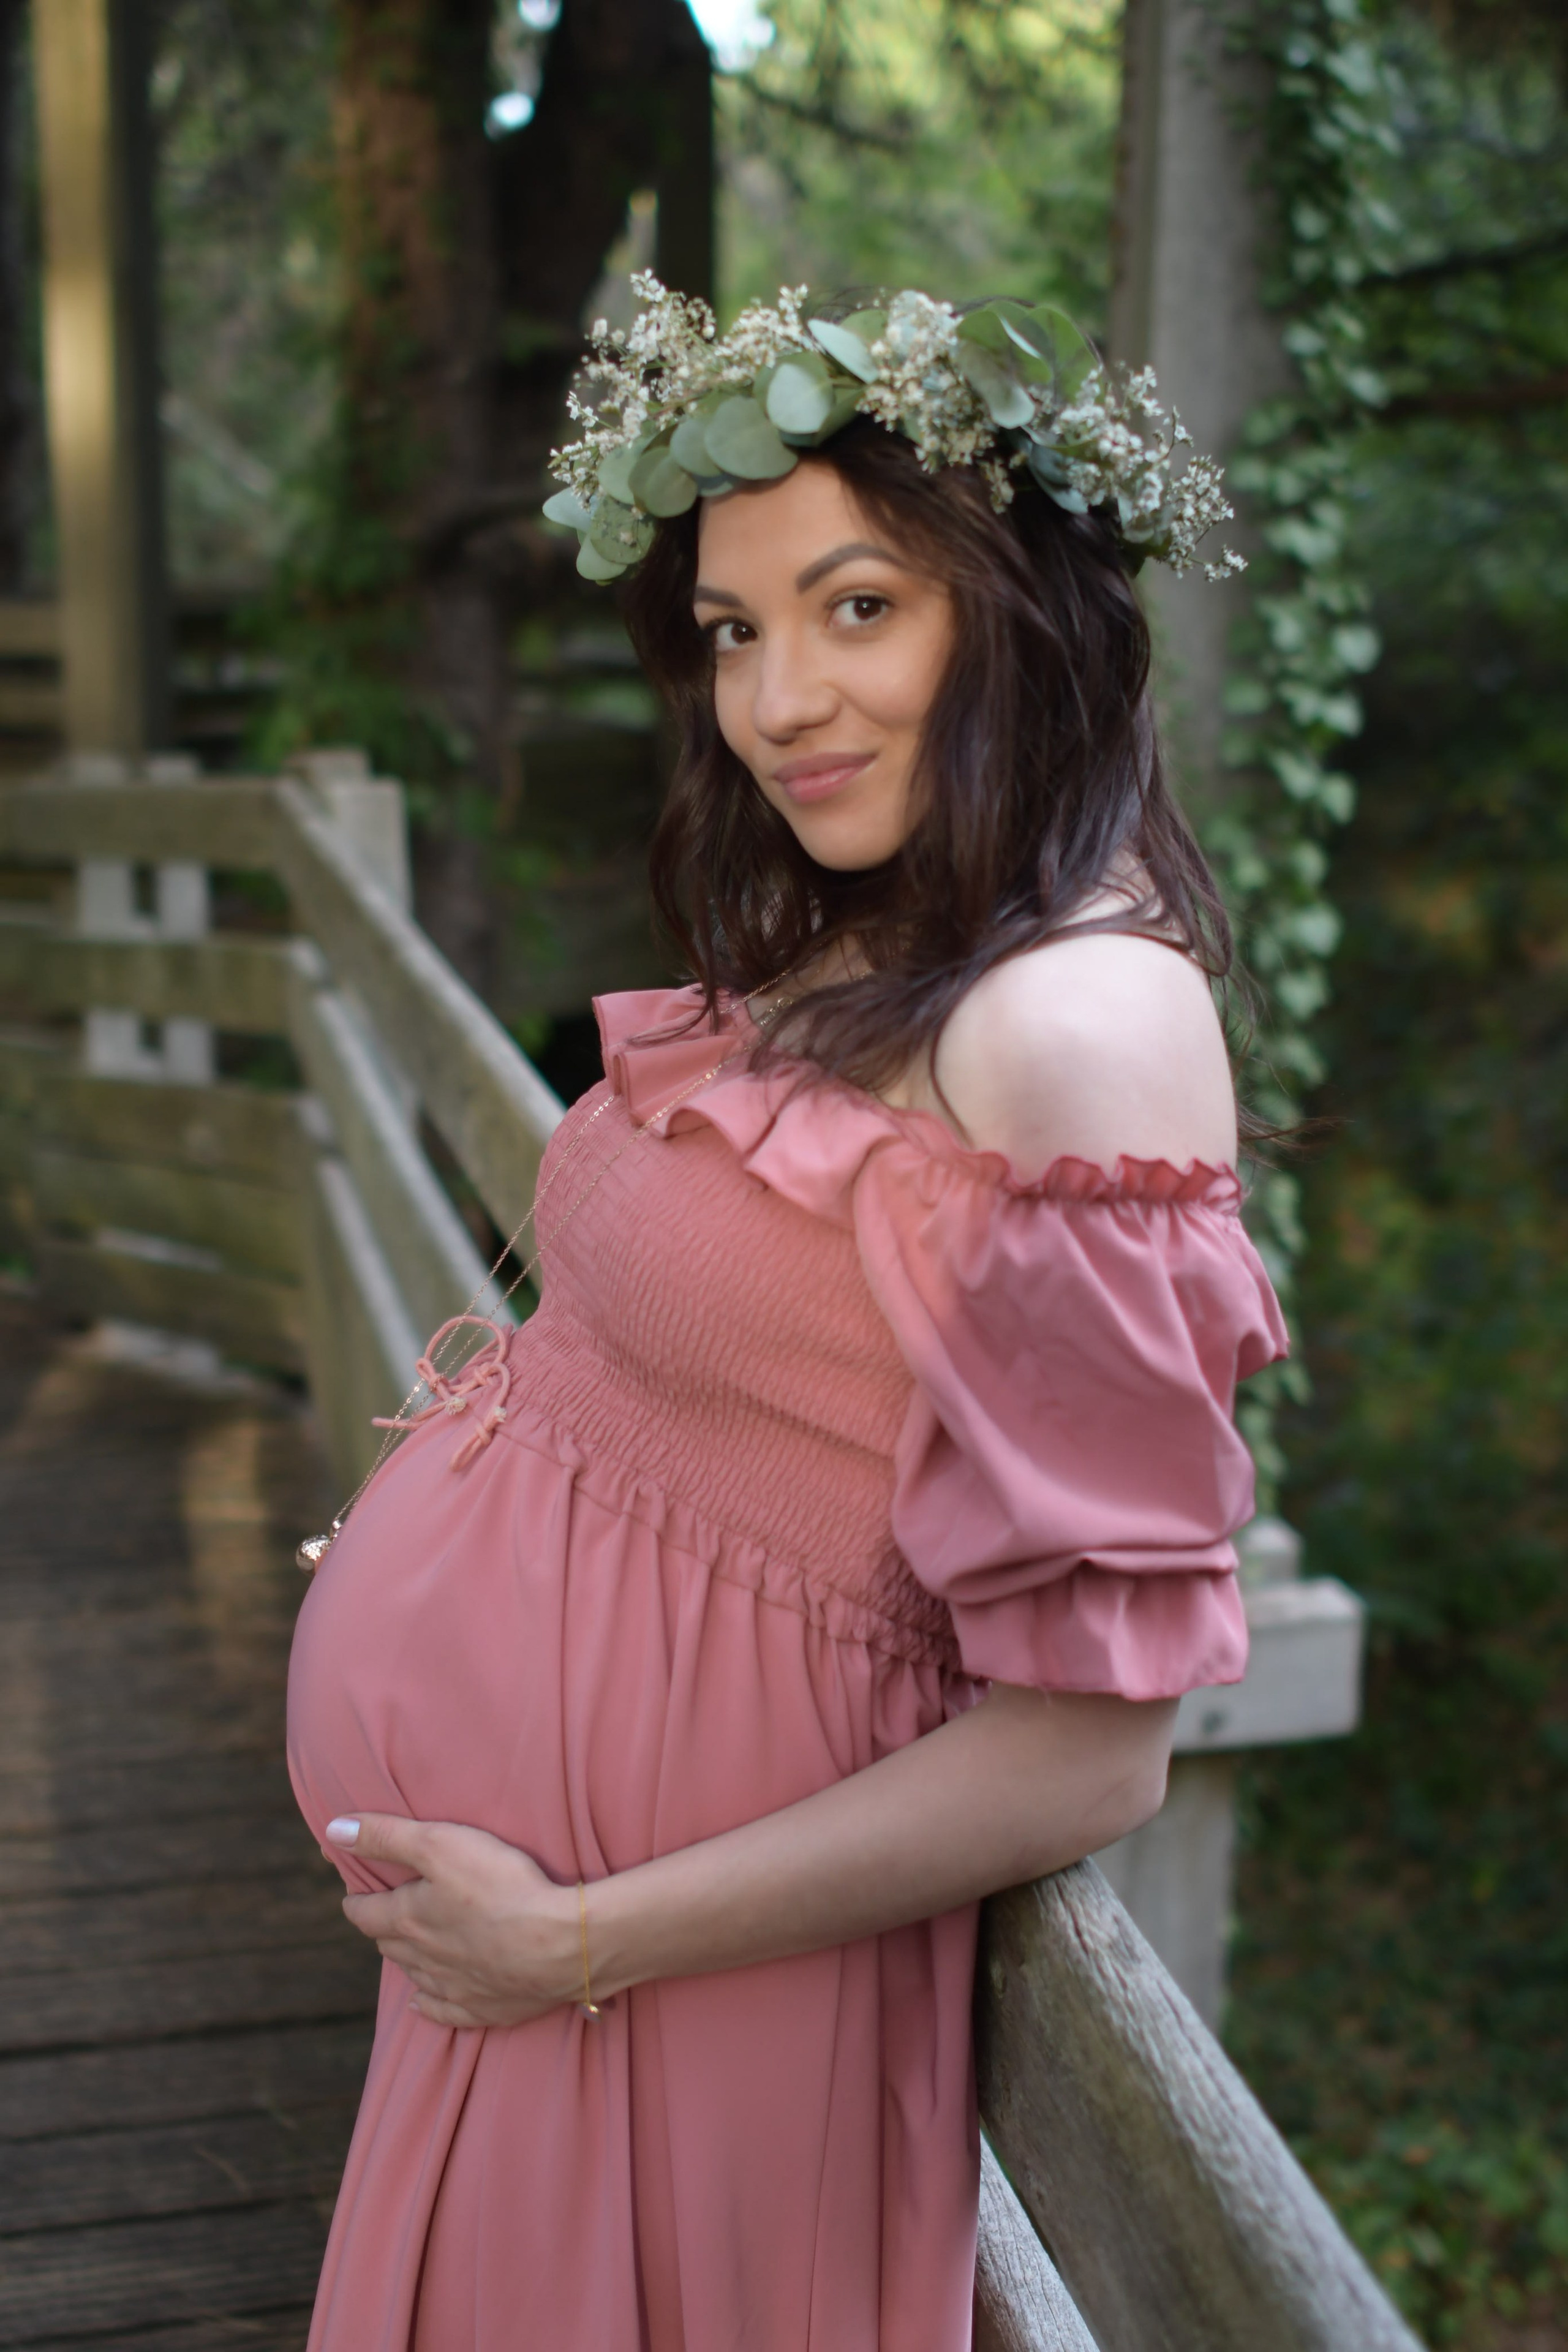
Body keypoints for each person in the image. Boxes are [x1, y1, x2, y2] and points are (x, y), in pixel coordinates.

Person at [287, 279, 1286, 2351]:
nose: (777, 700)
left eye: (857, 608)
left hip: (667, 2008)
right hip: (529, 1983)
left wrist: (572, 1935)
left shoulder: (1077, 1031)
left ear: (1024, 612)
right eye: (738, 632)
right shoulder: (880, 931)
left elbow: (1091, 1753)